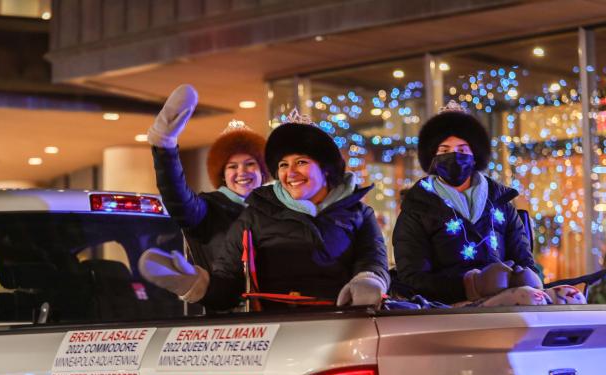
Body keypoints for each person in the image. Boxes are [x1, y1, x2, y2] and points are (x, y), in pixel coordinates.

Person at [139, 111, 390, 310]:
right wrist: (196, 284)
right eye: (283, 164)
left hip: (342, 326)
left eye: (301, 162)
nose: (290, 172)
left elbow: (373, 261)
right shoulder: (256, 214)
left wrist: (369, 281)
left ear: (325, 168)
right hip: (277, 333)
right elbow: (229, 283)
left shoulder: (359, 214)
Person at [392, 101, 540, 304]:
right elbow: (414, 277)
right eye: (444, 151)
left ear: (476, 155)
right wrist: (471, 285)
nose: (454, 157)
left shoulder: (501, 202)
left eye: (462, 150)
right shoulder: (417, 207)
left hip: (510, 302)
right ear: (432, 157)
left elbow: (524, 260)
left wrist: (524, 278)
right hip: (448, 309)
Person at [147, 84, 268, 272]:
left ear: (263, 170)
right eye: (232, 166)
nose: (242, 171)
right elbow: (176, 196)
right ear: (222, 174)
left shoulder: (274, 210)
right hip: (225, 301)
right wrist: (165, 148)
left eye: (250, 163)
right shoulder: (206, 210)